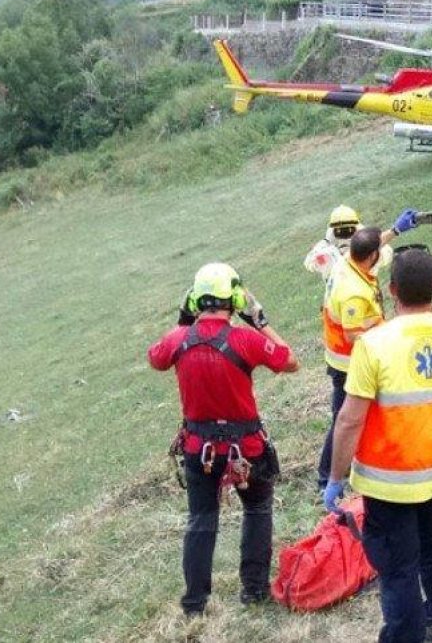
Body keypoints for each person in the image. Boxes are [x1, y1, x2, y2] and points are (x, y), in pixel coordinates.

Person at [325, 246, 432, 643]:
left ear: (392, 290)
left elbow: (349, 419)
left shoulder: (373, 345)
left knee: (399, 570)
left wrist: (335, 478)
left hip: (386, 489)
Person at [148, 262, 300, 615]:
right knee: (257, 509)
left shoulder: (177, 340)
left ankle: (194, 603)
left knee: (201, 520)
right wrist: (260, 321)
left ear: (194, 300)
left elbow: (155, 358)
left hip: (197, 448)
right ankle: (254, 590)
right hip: (246, 448)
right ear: (235, 298)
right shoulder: (245, 339)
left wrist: (184, 322)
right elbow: (291, 361)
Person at [317, 227, 388, 491]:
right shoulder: (354, 292)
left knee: (350, 416)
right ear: (372, 256)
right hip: (348, 364)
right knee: (343, 419)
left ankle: (349, 463)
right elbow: (351, 334)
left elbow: (370, 245)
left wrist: (396, 230)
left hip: (343, 359)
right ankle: (326, 476)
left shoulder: (346, 261)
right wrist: (386, 336)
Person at [304, 205, 422, 280]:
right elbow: (372, 247)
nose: (345, 237)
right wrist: (395, 230)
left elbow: (312, 260)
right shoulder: (340, 259)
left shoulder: (330, 257)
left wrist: (325, 242)